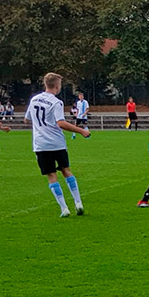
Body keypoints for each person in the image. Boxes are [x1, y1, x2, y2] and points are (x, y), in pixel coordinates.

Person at [25, 73, 90, 217]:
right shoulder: (56, 102)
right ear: (57, 85)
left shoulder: (34, 99)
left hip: (41, 144)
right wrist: (81, 131)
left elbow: (27, 119)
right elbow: (60, 123)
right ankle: (78, 203)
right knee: (66, 170)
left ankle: (64, 208)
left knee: (51, 175)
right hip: (57, 143)